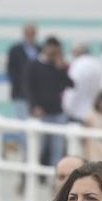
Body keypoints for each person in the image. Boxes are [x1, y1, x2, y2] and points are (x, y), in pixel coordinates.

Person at [24, 37, 72, 166]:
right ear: (46, 48)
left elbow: (70, 84)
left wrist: (61, 68)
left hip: (57, 111)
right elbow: (28, 88)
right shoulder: (34, 64)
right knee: (39, 147)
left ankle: (55, 174)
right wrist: (34, 106)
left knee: (57, 147)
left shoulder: (58, 66)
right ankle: (34, 173)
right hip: (41, 112)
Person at [66, 42, 102, 125]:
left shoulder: (78, 64)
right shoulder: (98, 64)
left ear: (78, 52)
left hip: (77, 112)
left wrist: (67, 108)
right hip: (93, 112)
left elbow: (72, 88)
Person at [6, 23, 40, 120]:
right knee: (22, 121)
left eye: (32, 33)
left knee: (36, 122)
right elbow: (10, 70)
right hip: (20, 93)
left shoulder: (40, 49)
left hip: (37, 95)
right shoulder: (15, 50)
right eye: (27, 33)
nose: (30, 36)